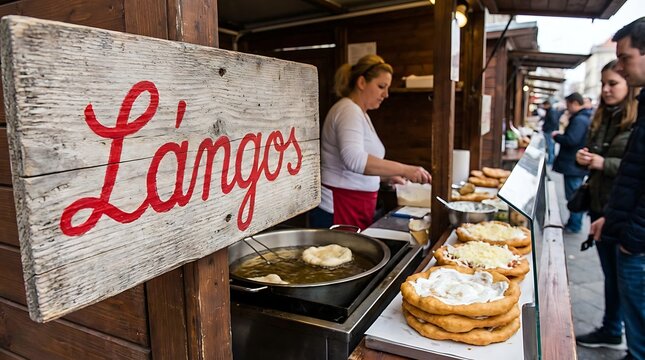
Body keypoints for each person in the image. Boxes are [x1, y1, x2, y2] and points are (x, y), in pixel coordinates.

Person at [309, 54, 431, 230]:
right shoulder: (347, 110)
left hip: (357, 203)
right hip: (340, 205)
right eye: (381, 86)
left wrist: (386, 176)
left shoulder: (360, 113)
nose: (386, 94)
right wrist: (406, 169)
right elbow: (354, 160)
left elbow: (360, 165)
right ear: (361, 83)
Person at [590, 17, 645, 360]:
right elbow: (633, 171)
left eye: (625, 59)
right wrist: (610, 218)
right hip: (618, 219)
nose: (622, 70)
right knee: (623, 295)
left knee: (638, 317)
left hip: (635, 237)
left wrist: (632, 239)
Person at [574, 60, 638, 351]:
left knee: (626, 280)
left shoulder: (637, 119)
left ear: (628, 84)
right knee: (611, 277)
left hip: (626, 212)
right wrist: (585, 158)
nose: (606, 89)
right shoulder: (602, 116)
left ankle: (618, 331)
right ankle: (612, 328)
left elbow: (634, 168)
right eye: (603, 83)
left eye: (613, 83)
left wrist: (603, 163)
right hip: (603, 206)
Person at [552, 92, 591, 233]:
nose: (567, 108)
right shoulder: (582, 117)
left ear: (575, 103)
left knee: (573, 195)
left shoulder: (580, 120)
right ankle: (573, 223)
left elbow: (571, 140)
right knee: (573, 194)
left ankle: (574, 225)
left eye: (568, 105)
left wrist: (557, 137)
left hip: (573, 165)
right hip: (574, 164)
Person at [541, 100, 560, 165]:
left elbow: (554, 121)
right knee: (551, 146)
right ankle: (551, 160)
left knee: (550, 146)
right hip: (550, 130)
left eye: (544, 105)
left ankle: (551, 161)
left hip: (549, 131)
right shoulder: (550, 111)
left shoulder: (551, 111)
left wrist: (549, 129)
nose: (543, 106)